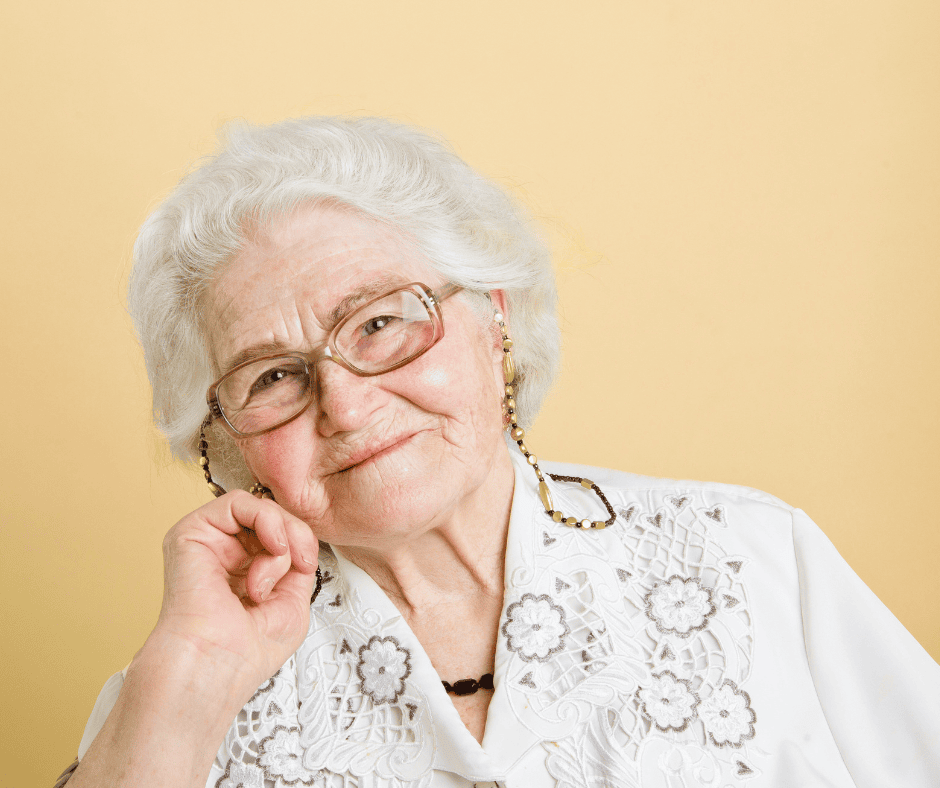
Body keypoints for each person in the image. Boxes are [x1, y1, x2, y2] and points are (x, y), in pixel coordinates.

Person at [61, 117, 939, 788]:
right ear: (227, 444)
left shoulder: (750, 557)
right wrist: (187, 683)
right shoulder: (177, 691)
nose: (348, 403)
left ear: (495, 322)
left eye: (380, 321)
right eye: (276, 377)